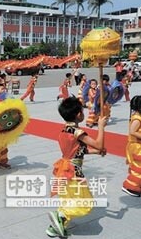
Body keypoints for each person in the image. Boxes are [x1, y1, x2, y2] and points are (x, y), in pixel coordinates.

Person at [47, 97, 106, 238]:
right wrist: (101, 127)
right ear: (79, 114)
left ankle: (53, 229)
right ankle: (60, 216)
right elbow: (99, 144)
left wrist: (96, 152)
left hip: (64, 169)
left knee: (68, 200)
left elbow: (77, 151)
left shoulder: (64, 130)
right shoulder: (77, 132)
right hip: (73, 172)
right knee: (86, 203)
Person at [122, 96, 141, 196]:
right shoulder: (137, 118)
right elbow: (132, 131)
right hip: (137, 147)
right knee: (138, 167)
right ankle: (130, 187)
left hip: (138, 145)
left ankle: (137, 185)